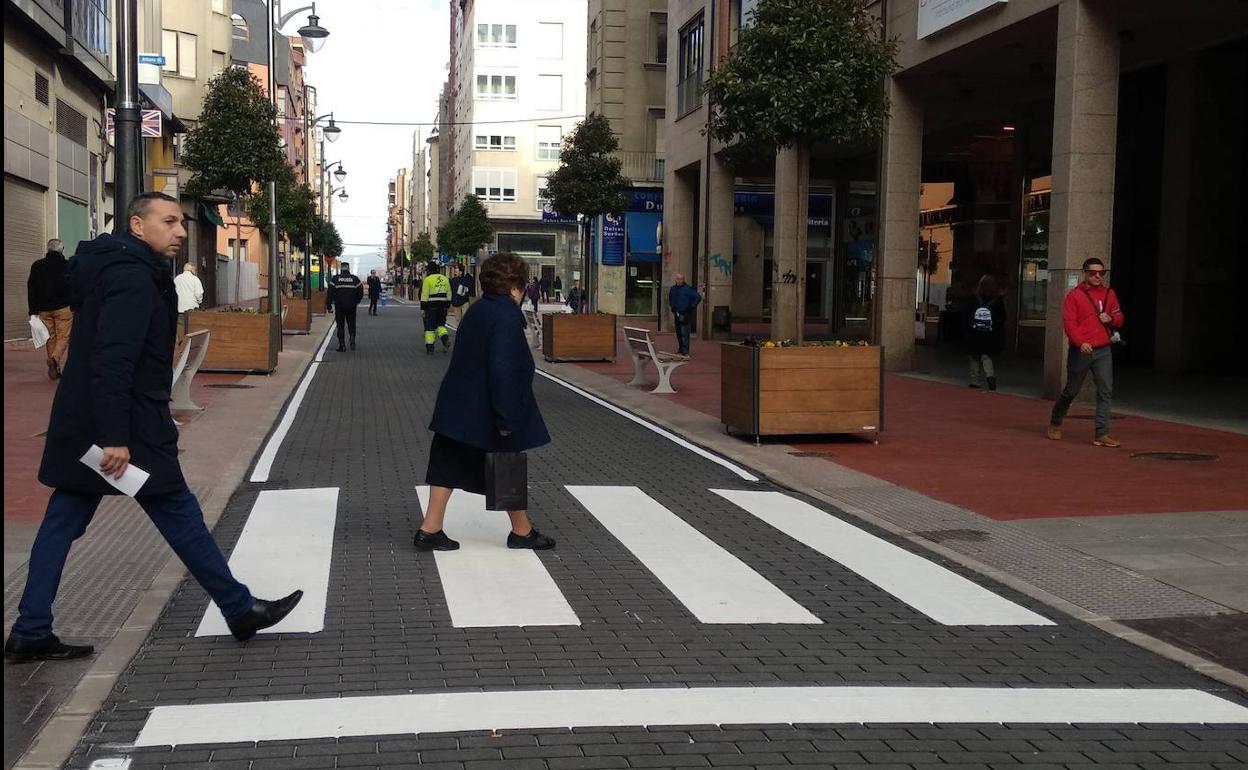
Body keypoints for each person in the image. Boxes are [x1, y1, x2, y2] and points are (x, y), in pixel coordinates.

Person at [4, 193, 302, 662]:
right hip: (122, 426)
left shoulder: (112, 267)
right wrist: (116, 437)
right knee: (177, 511)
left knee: (65, 521)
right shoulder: (131, 279)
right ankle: (239, 609)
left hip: (89, 420)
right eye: (169, 221)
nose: (181, 231)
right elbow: (113, 362)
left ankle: (30, 628)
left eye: (181, 222)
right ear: (137, 226)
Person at [415, 252, 556, 552]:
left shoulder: (479, 310)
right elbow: (503, 368)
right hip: (487, 409)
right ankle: (521, 532)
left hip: (458, 406)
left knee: (446, 465)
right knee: (507, 464)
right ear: (515, 286)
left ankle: (430, 528)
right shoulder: (505, 316)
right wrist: (507, 418)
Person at [1048, 258, 1125, 447]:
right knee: (1071, 390)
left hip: (1103, 349)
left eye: (1101, 273)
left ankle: (1102, 432)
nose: (1098, 276)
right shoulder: (1074, 296)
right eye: (1093, 273)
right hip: (1081, 350)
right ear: (1085, 273)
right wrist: (1080, 342)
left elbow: (1119, 317)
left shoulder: (1110, 294)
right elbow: (1069, 323)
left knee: (1105, 390)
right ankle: (1056, 421)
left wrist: (1112, 318)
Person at [27, 239, 73, 380]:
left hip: (43, 309)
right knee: (63, 336)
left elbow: (31, 288)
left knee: (50, 337)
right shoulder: (67, 266)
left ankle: (55, 368)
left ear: (48, 249)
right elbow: (73, 287)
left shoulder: (37, 265)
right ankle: (55, 358)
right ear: (61, 249)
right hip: (63, 308)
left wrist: (33, 310)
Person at [965, 274, 1005, 391]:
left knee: (974, 357)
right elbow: (1002, 318)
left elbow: (967, 315)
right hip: (989, 334)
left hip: (974, 333)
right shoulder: (997, 300)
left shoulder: (973, 299)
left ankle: (974, 380)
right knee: (986, 356)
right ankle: (990, 376)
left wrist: (969, 328)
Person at [327, 263, 364, 352]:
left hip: (339, 306)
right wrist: (357, 301)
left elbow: (330, 293)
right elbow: (360, 291)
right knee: (351, 324)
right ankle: (352, 340)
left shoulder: (335, 279)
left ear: (341, 269)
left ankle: (342, 346)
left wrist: (329, 305)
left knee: (340, 326)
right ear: (348, 268)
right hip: (351, 306)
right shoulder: (355, 279)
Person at [420, 261, 452, 354]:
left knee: (430, 328)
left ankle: (430, 348)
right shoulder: (445, 279)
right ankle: (445, 339)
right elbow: (449, 293)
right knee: (441, 324)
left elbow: (424, 294)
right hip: (442, 306)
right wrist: (447, 305)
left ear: (429, 270)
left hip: (431, 306)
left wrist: (423, 308)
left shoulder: (428, 279)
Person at [668, 273, 702, 359]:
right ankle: (680, 350)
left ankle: (685, 351)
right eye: (677, 279)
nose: (679, 281)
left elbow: (697, 297)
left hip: (685, 313)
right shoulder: (673, 289)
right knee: (679, 333)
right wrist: (672, 306)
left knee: (684, 332)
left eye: (681, 279)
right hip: (676, 313)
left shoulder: (688, 289)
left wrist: (691, 306)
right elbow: (670, 298)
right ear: (675, 280)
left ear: (683, 280)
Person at [174, 262, 205, 328]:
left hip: (179, 307)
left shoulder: (176, 279)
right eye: (195, 270)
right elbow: (199, 294)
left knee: (180, 328)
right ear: (192, 270)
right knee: (191, 328)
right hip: (191, 308)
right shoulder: (195, 279)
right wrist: (199, 302)